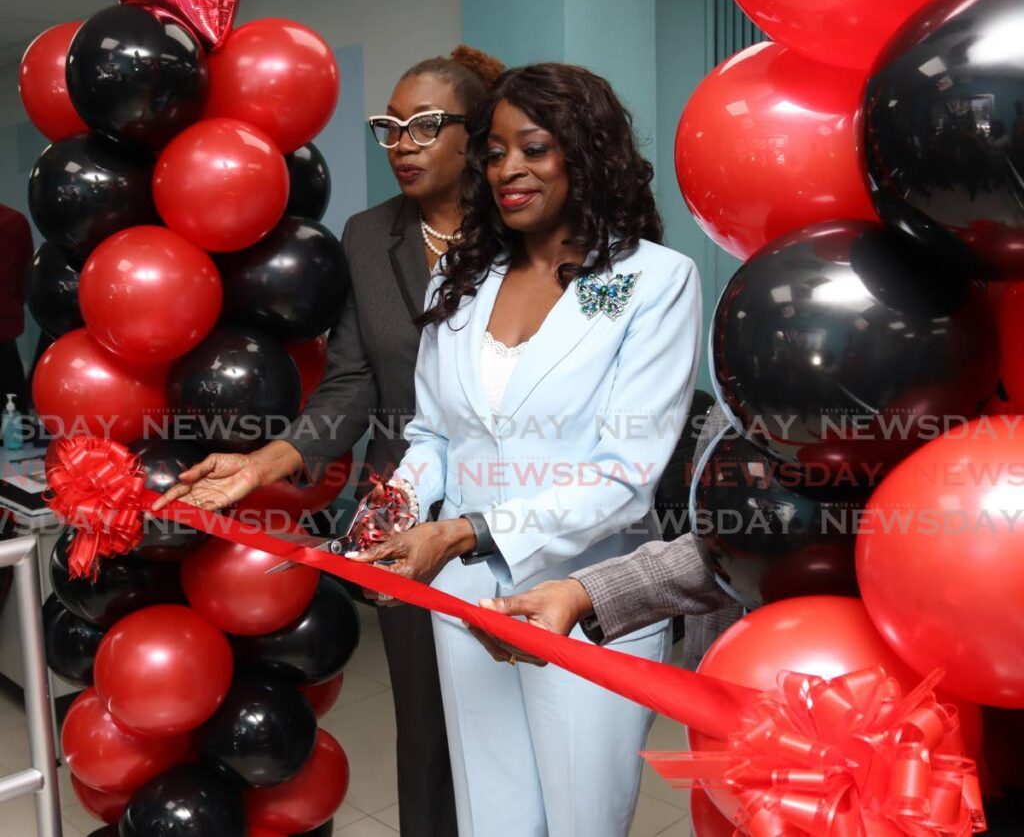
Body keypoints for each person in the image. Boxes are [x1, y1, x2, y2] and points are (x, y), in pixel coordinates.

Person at [154, 45, 504, 837]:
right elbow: (351, 381)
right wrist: (264, 462)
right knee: (425, 730)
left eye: (422, 126)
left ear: (476, 133)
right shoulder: (368, 233)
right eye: (389, 127)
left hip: (514, 504)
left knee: (516, 720)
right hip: (403, 510)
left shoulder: (525, 229)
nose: (400, 144)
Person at [347, 63, 703, 836]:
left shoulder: (651, 281)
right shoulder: (465, 278)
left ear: (585, 153)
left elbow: (625, 474)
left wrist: (466, 529)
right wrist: (393, 509)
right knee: (491, 818)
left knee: (580, 822)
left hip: (587, 602)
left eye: (534, 148)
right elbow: (434, 435)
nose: (509, 170)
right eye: (496, 152)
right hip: (464, 601)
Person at [475, 402, 744, 667]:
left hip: (762, 659)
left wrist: (482, 532)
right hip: (718, 657)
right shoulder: (731, 396)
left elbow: (733, 551)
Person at [0, 204, 33, 422]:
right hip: (4, 334)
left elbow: (25, 281)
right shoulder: (12, 221)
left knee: (15, 427)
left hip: (3, 338)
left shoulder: (12, 223)